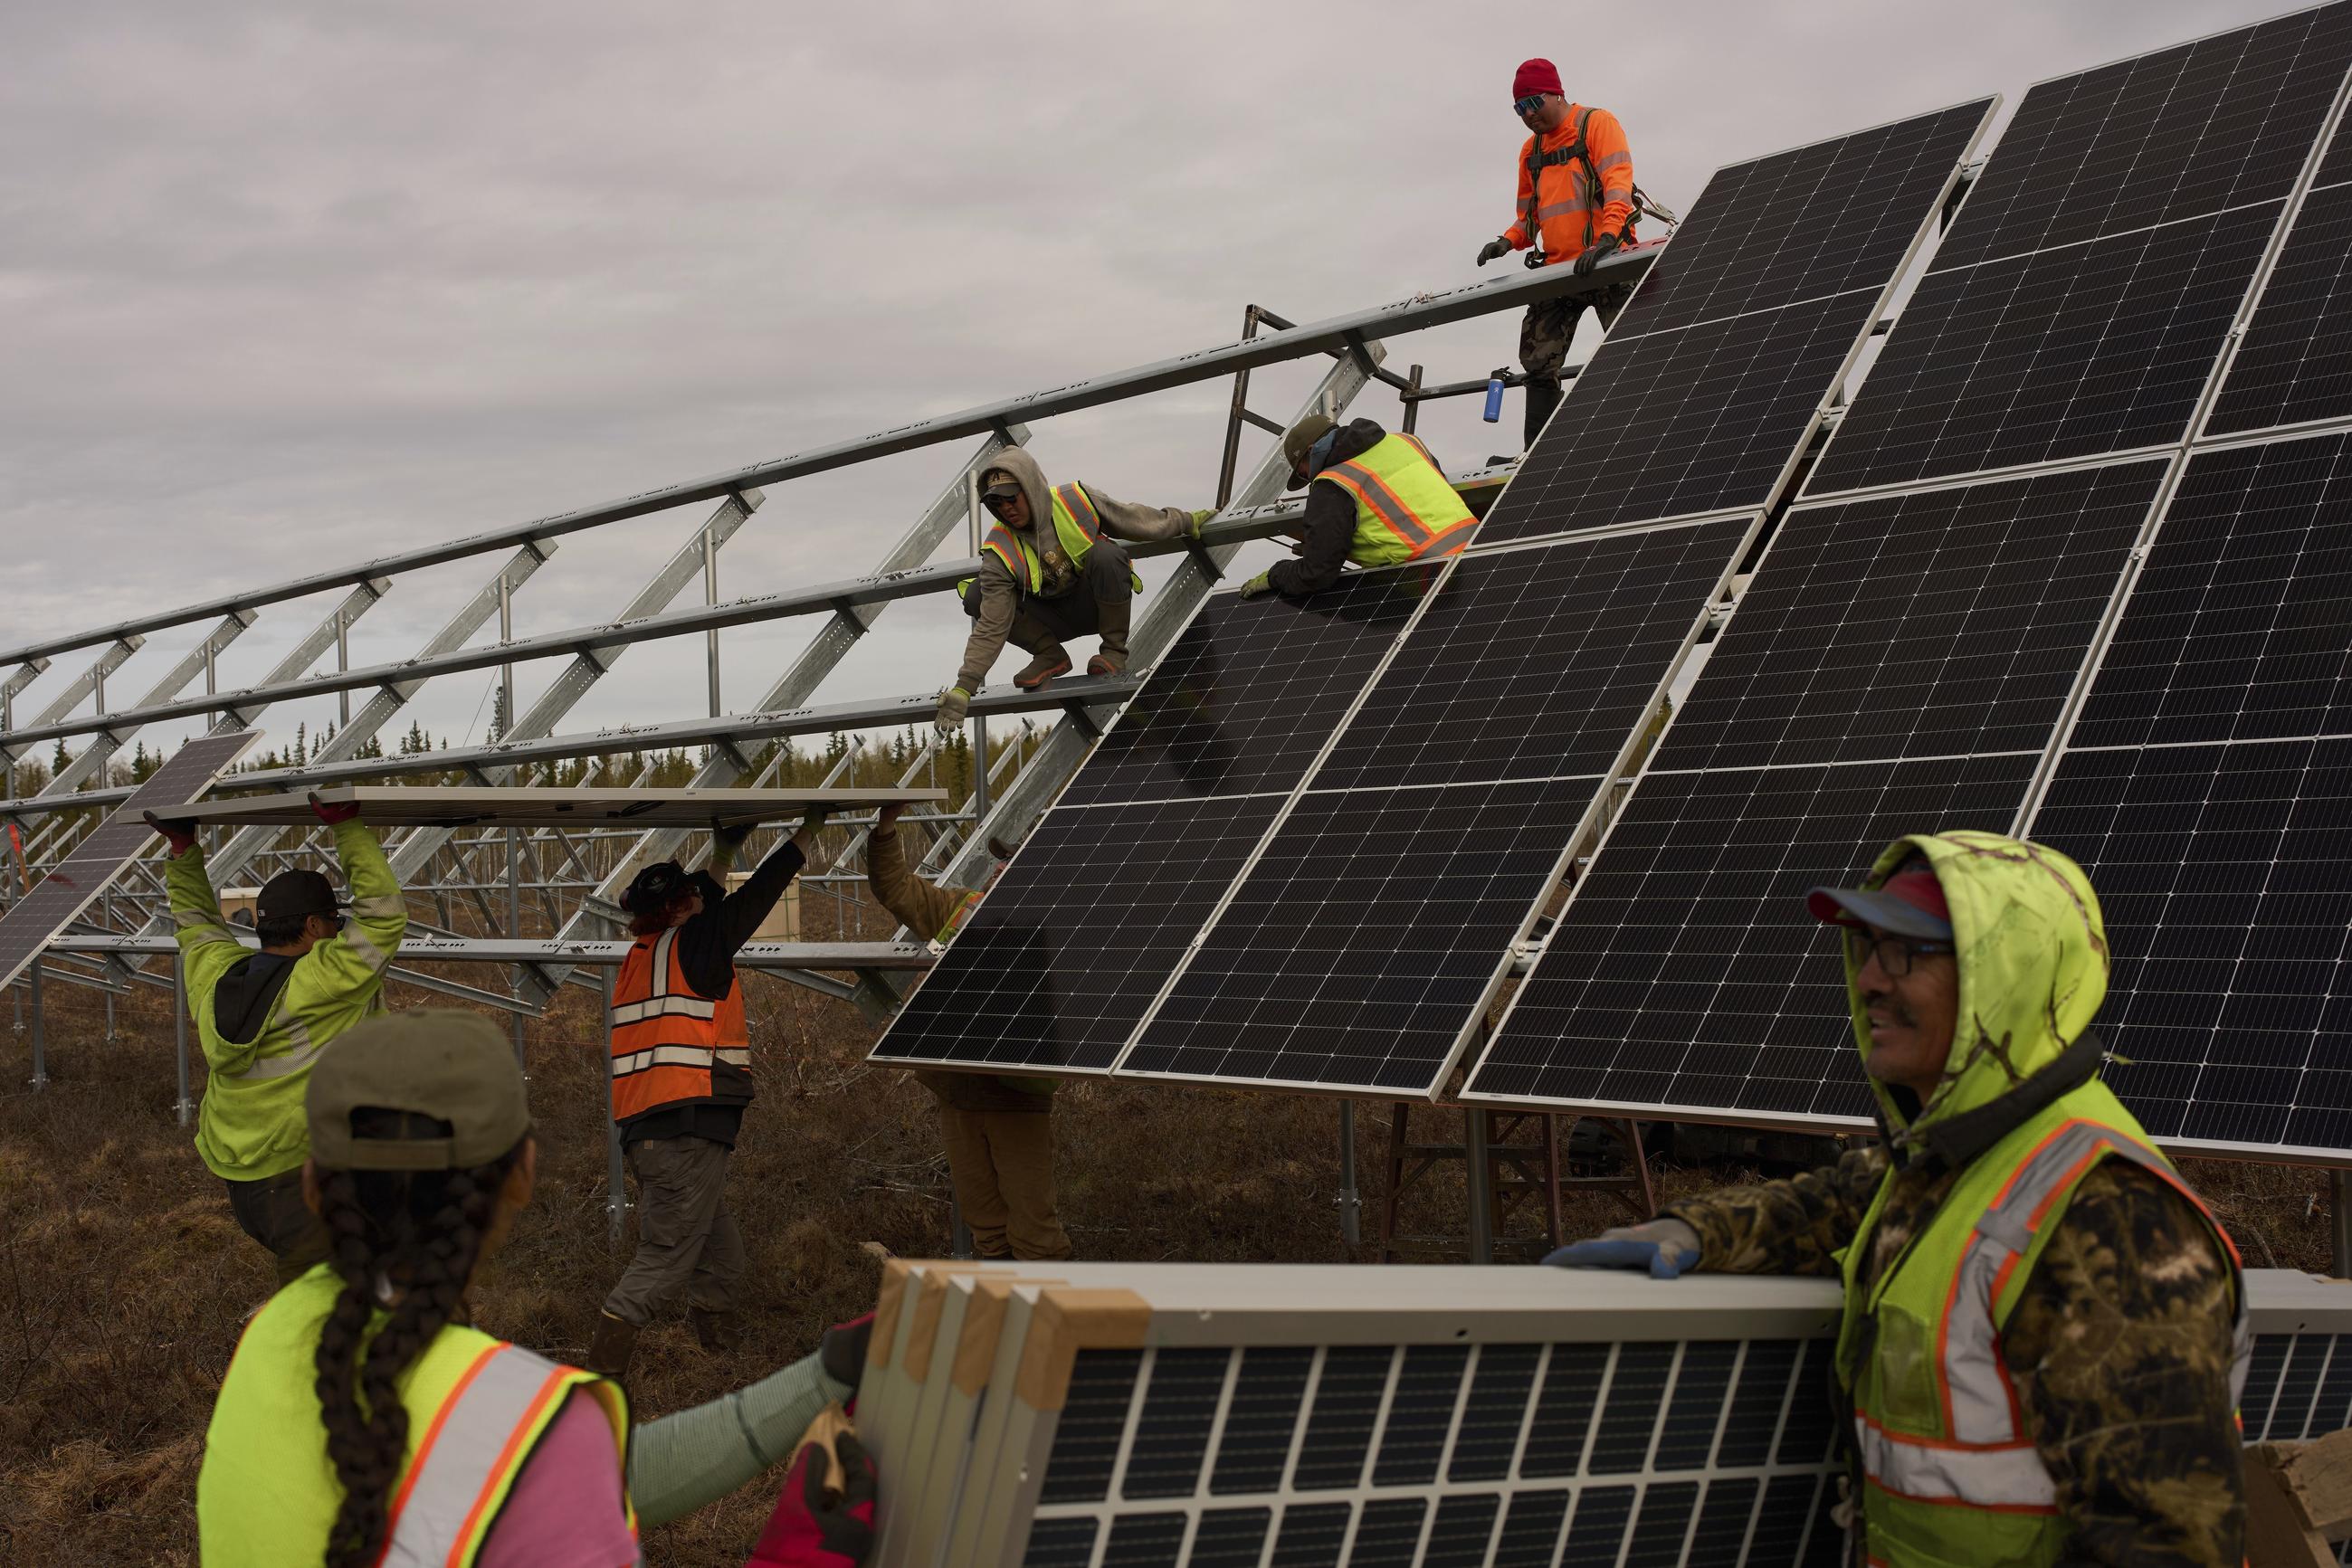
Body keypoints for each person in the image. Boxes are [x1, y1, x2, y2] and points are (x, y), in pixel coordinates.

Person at [1549, 832, 2249, 1568]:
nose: (1870, 981)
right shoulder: (1954, 1158)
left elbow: (2169, 1544)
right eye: (1868, 947)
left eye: (1906, 952)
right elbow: (1841, 1198)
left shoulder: (2110, 1217)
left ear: (2001, 976)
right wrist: (1691, 1228)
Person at [195, 1009, 876, 1567]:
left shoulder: (267, 1331)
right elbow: (541, 1475)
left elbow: (555, 1482)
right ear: (522, 1173)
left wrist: (817, 1381)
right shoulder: (529, 1425)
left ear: (313, 1183)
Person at [588, 812, 824, 1378]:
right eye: (692, 895)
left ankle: (715, 1359)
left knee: (722, 1257)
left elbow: (712, 914)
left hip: (655, 1132)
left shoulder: (645, 956)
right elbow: (751, 903)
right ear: (677, 909)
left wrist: (721, 853)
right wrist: (806, 833)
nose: (702, 899)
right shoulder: (694, 946)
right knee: (666, 1259)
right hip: (685, 1130)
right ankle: (598, 1379)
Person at [151, 795, 408, 1283]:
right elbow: (383, 915)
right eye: (335, 921)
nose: (341, 929)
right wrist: (348, 829)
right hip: (301, 1181)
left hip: (247, 1181)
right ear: (313, 927)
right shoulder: (329, 978)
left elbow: (197, 925)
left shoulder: (218, 973)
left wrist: (183, 850)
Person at [868, 800, 1073, 1261]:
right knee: (986, 1227)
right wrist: (885, 829)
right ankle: (998, 1320)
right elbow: (896, 888)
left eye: (1015, 863)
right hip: (958, 1090)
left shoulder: (1060, 926)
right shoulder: (961, 907)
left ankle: (1051, 1324)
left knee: (1035, 1229)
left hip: (1015, 1093)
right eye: (1003, 860)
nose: (1002, 870)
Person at [934, 447, 1212, 735]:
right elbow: (991, 625)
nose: (1006, 508)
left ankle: (1113, 654)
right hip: (1050, 622)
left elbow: (1135, 520)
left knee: (1106, 555)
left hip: (1095, 606)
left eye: (1010, 497)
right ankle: (1049, 655)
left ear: (1029, 489)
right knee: (977, 595)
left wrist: (1185, 520)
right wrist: (964, 688)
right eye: (995, 502)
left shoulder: (1075, 502)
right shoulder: (999, 549)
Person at [1472, 59, 1639, 452]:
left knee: (1635, 349)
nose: (1528, 115)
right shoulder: (1531, 151)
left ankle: (1644, 438)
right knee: (1537, 362)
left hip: (1606, 261)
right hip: (1558, 271)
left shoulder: (1596, 124)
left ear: (1556, 93)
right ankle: (1541, 456)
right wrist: (1508, 241)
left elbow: (1619, 184)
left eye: (1533, 103)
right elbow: (1528, 219)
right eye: (1519, 108)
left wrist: (1608, 237)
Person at [1237, 413, 1476, 600]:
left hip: (1424, 580)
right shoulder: (1406, 441)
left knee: (1339, 607)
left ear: (1311, 452)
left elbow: (1316, 574)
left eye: (1303, 471)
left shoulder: (1332, 483)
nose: (1308, 479)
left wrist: (1276, 575)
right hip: (1481, 555)